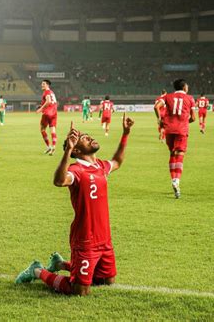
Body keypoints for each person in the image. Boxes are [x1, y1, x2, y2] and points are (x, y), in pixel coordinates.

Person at [15, 114, 135, 296]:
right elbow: (59, 181)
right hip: (85, 239)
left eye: (88, 136)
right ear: (77, 151)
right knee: (80, 290)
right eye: (84, 138)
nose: (89, 137)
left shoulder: (100, 166)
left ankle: (61, 264)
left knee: (105, 281)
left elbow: (117, 161)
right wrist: (67, 151)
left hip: (104, 238)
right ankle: (38, 271)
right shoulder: (75, 170)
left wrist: (125, 133)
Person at [154, 79, 197, 199]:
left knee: (172, 154)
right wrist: (185, 122)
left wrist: (160, 120)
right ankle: (176, 180)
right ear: (184, 87)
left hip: (169, 130)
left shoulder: (167, 97)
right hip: (181, 130)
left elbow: (156, 107)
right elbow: (193, 118)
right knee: (180, 155)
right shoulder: (190, 98)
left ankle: (173, 179)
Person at [36, 79, 58, 155]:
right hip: (54, 113)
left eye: (43, 84)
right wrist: (42, 105)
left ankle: (48, 146)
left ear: (47, 85)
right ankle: (54, 146)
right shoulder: (52, 92)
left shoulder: (47, 92)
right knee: (53, 130)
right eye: (42, 84)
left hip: (47, 113)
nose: (42, 85)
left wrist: (40, 109)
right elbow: (52, 102)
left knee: (42, 129)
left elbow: (48, 101)